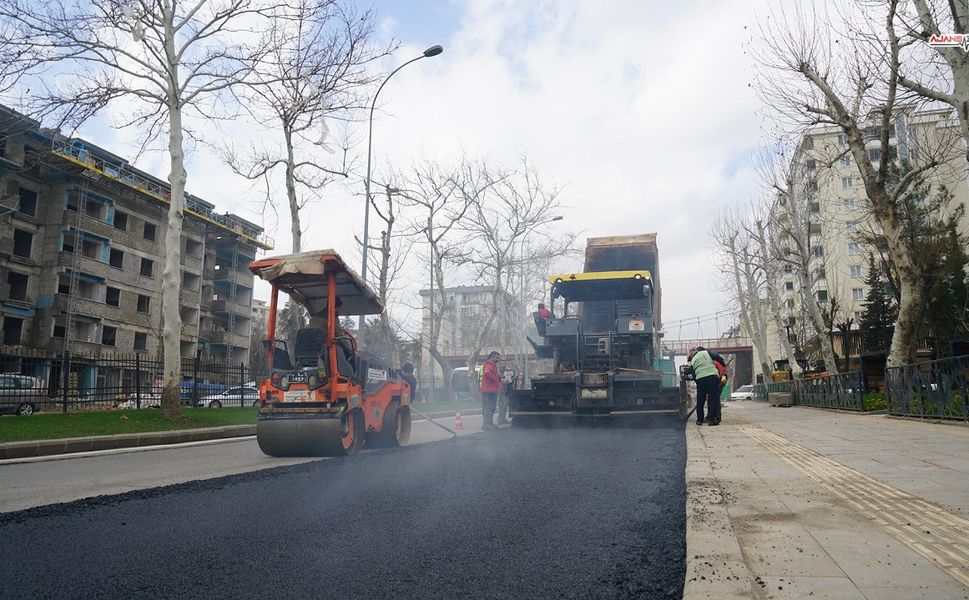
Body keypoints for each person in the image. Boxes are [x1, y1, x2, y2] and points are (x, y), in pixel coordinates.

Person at [689, 346, 723, 426]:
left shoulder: (693, 360)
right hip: (712, 378)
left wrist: (699, 384)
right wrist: (723, 363)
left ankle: (699, 420)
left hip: (702, 380)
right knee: (713, 400)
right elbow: (718, 358)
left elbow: (693, 374)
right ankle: (711, 420)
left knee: (700, 400)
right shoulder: (707, 353)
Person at [480, 351, 501, 430]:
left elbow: (492, 374)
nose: (498, 359)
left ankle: (488, 423)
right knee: (490, 407)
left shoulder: (492, 365)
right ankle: (487, 424)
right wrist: (495, 380)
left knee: (488, 407)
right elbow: (487, 373)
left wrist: (500, 379)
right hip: (490, 390)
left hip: (488, 390)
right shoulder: (490, 365)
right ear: (492, 357)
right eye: (497, 357)